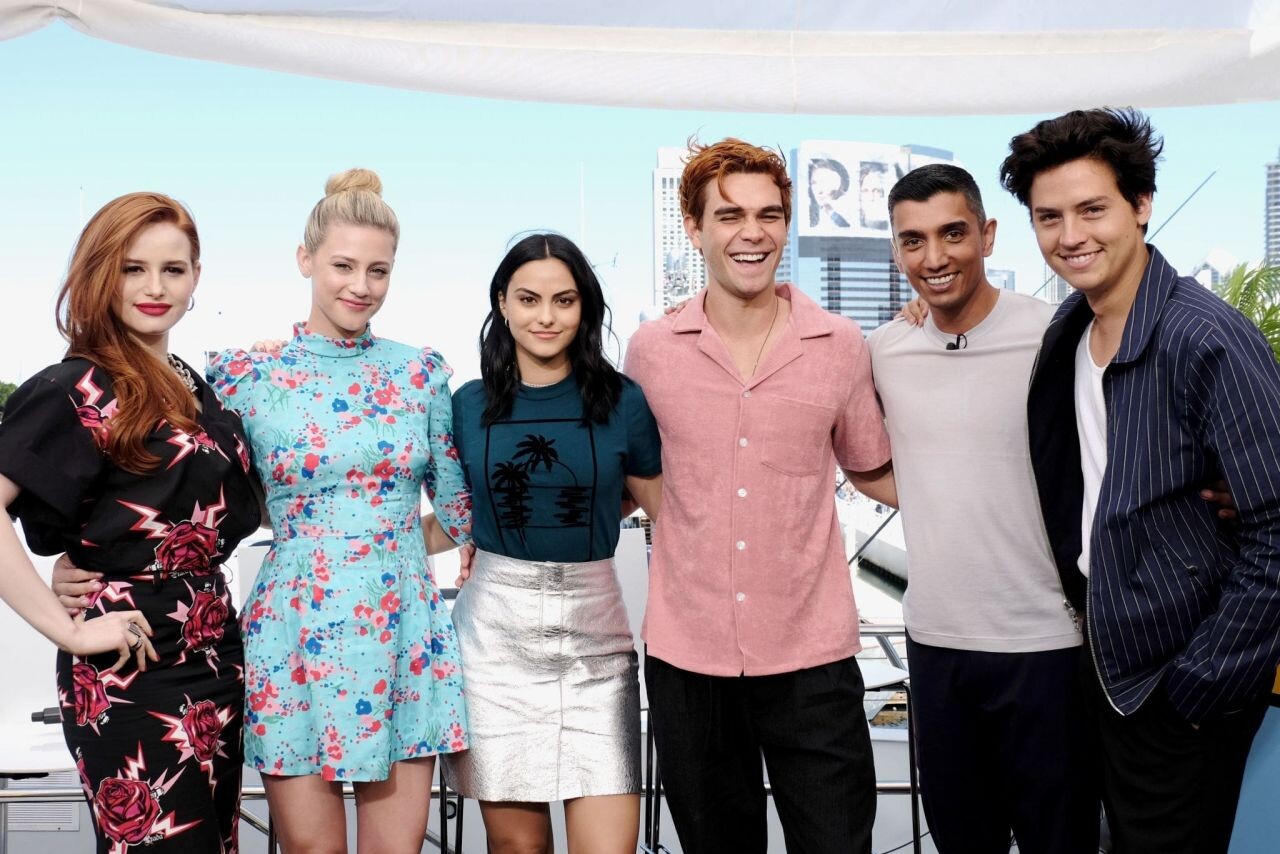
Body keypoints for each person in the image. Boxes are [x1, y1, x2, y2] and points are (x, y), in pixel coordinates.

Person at [1004, 107, 1280, 853]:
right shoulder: (1070, 329)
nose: (1071, 236)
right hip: (1106, 659)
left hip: (1181, 675)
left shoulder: (1205, 336)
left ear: (1141, 204)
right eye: (1049, 217)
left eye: (1092, 209)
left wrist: (1200, 682)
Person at [623, 138, 894, 854]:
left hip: (813, 656)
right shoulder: (651, 350)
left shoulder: (841, 344)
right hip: (689, 660)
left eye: (769, 215)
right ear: (694, 227)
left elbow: (874, 469)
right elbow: (624, 482)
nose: (753, 232)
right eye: (730, 215)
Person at [203, 169, 472, 852]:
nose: (361, 285)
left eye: (378, 270)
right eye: (343, 266)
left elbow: (459, 511)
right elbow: (206, 503)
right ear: (305, 260)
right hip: (292, 632)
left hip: (403, 629)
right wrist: (80, 562)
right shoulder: (244, 374)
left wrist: (388, 543)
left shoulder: (421, 373)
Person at [0, 192, 261, 852]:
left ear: (196, 277)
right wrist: (67, 629)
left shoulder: (191, 387)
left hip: (216, 659)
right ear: (100, 274)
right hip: (128, 667)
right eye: (132, 268)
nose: (155, 288)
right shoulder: (74, 387)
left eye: (173, 269)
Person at [868, 163, 1096, 853]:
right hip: (937, 648)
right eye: (913, 241)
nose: (934, 257)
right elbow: (858, 451)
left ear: (988, 235)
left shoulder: (1058, 333)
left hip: (1048, 645)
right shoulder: (883, 350)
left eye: (953, 233)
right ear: (896, 251)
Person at [441, 233, 662, 853]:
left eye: (564, 300)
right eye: (529, 299)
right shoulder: (466, 405)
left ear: (584, 307)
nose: (546, 316)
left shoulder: (624, 401)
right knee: (517, 848)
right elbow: (457, 510)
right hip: (493, 642)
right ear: (502, 304)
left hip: (598, 640)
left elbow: (664, 510)